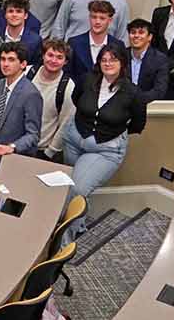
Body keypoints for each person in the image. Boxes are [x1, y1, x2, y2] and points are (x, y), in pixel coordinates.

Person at [62, 45, 144, 235]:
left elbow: (138, 124)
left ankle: (64, 240)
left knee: (78, 188)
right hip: (74, 140)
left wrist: (111, 131)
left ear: (122, 62)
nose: (108, 63)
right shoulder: (87, 80)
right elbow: (77, 100)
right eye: (104, 59)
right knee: (73, 188)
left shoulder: (133, 93)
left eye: (113, 59)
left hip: (104, 150)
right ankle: (79, 226)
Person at [0, 41, 44, 178]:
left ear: (23, 64)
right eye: (3, 59)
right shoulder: (1, 83)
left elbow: (33, 135)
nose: (5, 64)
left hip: (11, 157)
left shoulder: (30, 94)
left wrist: (12, 147)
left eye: (11, 60)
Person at [30, 38, 76, 159]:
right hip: (16, 145)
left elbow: (65, 124)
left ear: (65, 61)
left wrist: (50, 152)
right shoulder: (28, 73)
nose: (53, 60)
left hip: (42, 150)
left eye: (59, 57)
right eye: (50, 55)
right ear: (43, 55)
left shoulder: (67, 87)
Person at [124, 17, 169, 106]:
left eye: (141, 32)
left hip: (147, 107)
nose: (136, 36)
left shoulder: (160, 59)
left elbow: (159, 90)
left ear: (150, 37)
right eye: (133, 32)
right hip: (121, 107)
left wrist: (137, 100)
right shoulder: (121, 56)